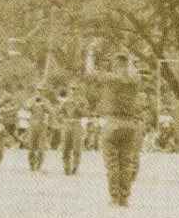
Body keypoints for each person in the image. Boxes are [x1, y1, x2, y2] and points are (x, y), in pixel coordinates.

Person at [90, 48, 142, 207]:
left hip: (112, 123)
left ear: (114, 65)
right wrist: (131, 62)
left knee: (112, 163)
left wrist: (90, 54)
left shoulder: (111, 79)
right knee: (126, 164)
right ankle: (124, 197)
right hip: (130, 124)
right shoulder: (134, 81)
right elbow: (135, 73)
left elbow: (91, 72)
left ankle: (114, 197)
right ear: (127, 64)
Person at [56, 84, 89, 176]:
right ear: (69, 90)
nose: (73, 91)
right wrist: (62, 105)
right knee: (65, 147)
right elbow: (58, 113)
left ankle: (75, 167)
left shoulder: (82, 101)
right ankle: (66, 168)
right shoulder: (66, 101)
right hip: (67, 124)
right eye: (71, 89)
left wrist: (76, 106)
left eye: (75, 89)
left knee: (76, 147)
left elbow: (85, 113)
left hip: (77, 124)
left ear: (78, 90)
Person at [25, 85, 52, 171]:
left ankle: (39, 164)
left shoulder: (46, 101)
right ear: (36, 90)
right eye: (38, 90)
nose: (39, 92)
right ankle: (32, 164)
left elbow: (50, 111)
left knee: (41, 147)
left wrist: (43, 105)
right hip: (33, 124)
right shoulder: (31, 100)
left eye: (41, 91)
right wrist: (33, 102)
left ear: (44, 91)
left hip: (42, 125)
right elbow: (26, 107)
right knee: (31, 146)